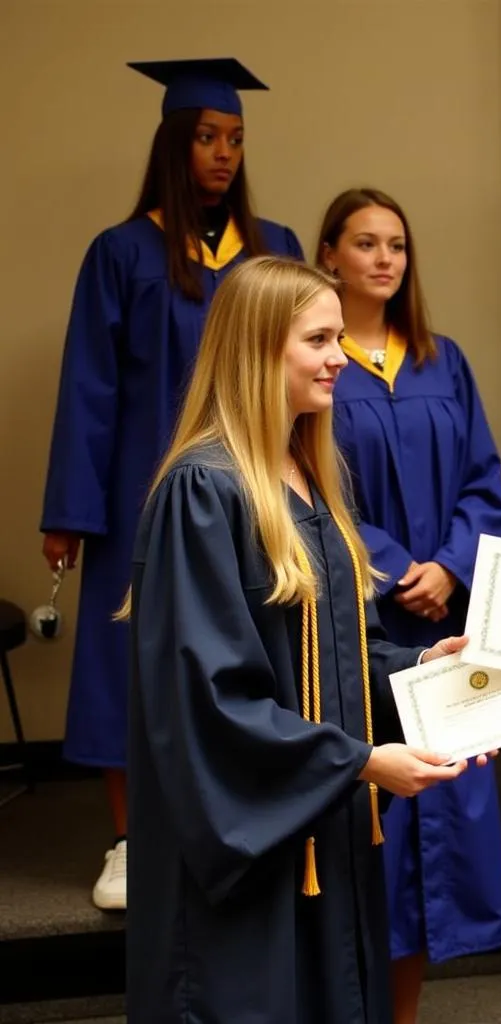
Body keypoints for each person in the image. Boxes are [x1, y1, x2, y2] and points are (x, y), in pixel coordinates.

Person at [125, 254, 499, 1023]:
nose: (341, 358)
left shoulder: (307, 480)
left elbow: (343, 658)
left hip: (318, 826)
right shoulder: (205, 490)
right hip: (249, 851)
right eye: (320, 340)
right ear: (261, 347)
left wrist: (430, 667)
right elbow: (209, 700)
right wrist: (360, 761)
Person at [39, 58, 304, 910]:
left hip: (258, 486)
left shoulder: (277, 250)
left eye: (233, 139)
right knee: (132, 660)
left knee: (254, 649)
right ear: (172, 145)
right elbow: (90, 387)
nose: (222, 154)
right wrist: (73, 514)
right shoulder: (123, 252)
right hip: (141, 494)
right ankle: (128, 841)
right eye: (206, 138)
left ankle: (246, 816)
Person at [317, 188, 501, 1023]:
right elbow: (309, 491)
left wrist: (450, 566)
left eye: (397, 243)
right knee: (376, 831)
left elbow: (484, 482)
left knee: (443, 818)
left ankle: (404, 1011)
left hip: (448, 619)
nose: (386, 259)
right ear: (329, 256)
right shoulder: (317, 365)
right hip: (363, 620)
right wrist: (398, 570)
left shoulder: (444, 360)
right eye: (366, 243)